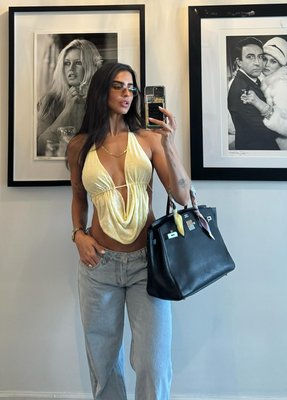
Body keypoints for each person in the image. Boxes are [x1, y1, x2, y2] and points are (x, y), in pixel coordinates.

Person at [66, 62, 191, 400]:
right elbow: (78, 196)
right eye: (118, 86)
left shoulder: (148, 139)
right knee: (103, 364)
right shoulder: (79, 146)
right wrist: (78, 234)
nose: (127, 94)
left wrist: (170, 144)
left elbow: (182, 196)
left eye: (131, 88)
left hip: (146, 265)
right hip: (98, 265)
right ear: (101, 91)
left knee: (154, 364)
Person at [37, 39, 103, 156]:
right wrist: (67, 111)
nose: (71, 69)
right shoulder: (50, 100)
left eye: (78, 63)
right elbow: (38, 147)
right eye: (67, 63)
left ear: (91, 66)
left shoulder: (104, 101)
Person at [240, 37, 287, 150]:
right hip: (270, 143)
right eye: (264, 59)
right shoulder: (264, 80)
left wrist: (263, 108)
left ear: (280, 65)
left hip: (283, 148)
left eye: (273, 61)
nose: (266, 65)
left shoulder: (282, 85)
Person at [227, 36, 279, 150]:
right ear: (239, 62)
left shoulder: (253, 80)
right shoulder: (241, 89)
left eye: (260, 57)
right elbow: (266, 131)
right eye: (250, 57)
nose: (257, 63)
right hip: (255, 149)